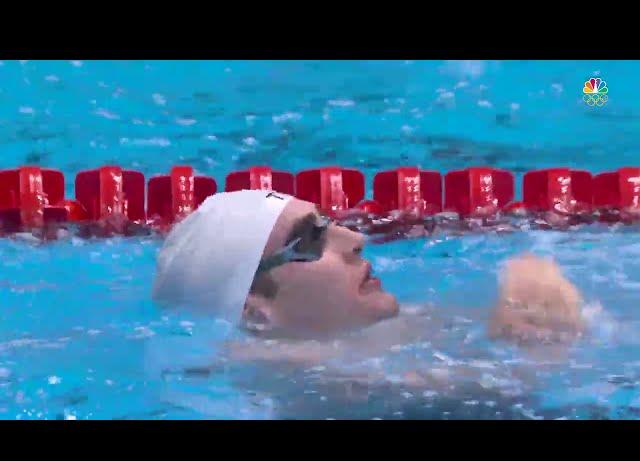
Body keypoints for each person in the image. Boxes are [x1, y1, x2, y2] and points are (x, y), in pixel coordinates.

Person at [153, 190, 586, 365]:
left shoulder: (372, 338)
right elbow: (523, 391)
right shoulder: (302, 375)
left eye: (330, 222)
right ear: (256, 314)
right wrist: (541, 344)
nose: (355, 238)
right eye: (307, 241)